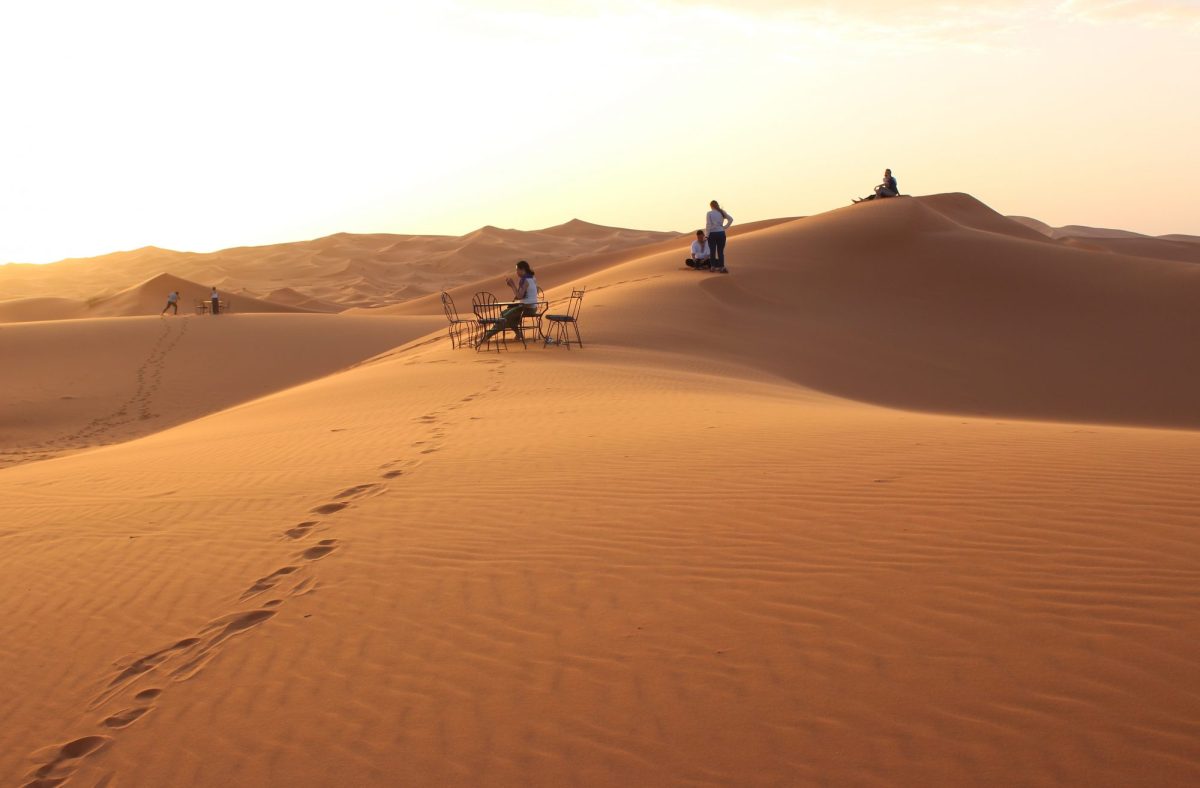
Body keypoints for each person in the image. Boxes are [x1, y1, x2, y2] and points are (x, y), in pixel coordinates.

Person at [477, 260, 539, 346]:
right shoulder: (532, 278)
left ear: (522, 269)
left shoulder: (525, 280)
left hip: (526, 308)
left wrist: (512, 285)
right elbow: (533, 292)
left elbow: (519, 296)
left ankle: (486, 337)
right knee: (504, 313)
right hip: (531, 307)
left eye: (517, 270)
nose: (516, 272)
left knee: (504, 317)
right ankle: (518, 334)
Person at [706, 200, 733, 273]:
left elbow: (708, 225)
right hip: (721, 233)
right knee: (720, 251)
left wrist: (706, 235)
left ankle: (713, 267)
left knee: (712, 251)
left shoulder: (709, 213)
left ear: (711, 206)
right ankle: (722, 267)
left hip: (712, 234)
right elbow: (731, 219)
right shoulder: (722, 212)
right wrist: (725, 227)